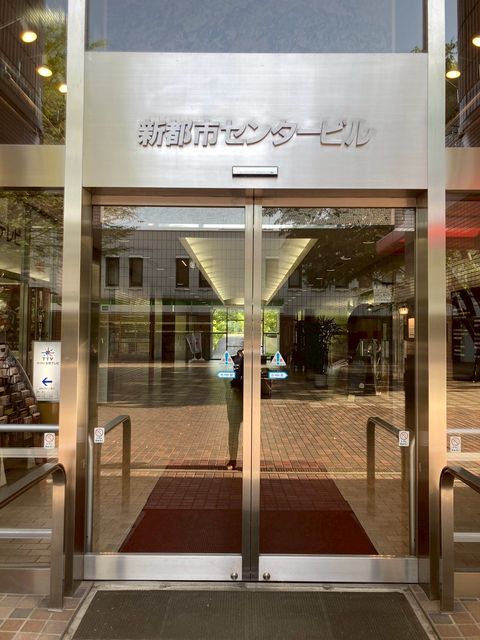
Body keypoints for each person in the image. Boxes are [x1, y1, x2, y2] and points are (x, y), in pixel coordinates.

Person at [226, 349, 243, 469]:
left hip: (238, 398)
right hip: (237, 399)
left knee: (233, 430)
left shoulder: (236, 360)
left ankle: (233, 460)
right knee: (234, 430)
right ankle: (233, 459)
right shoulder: (235, 360)